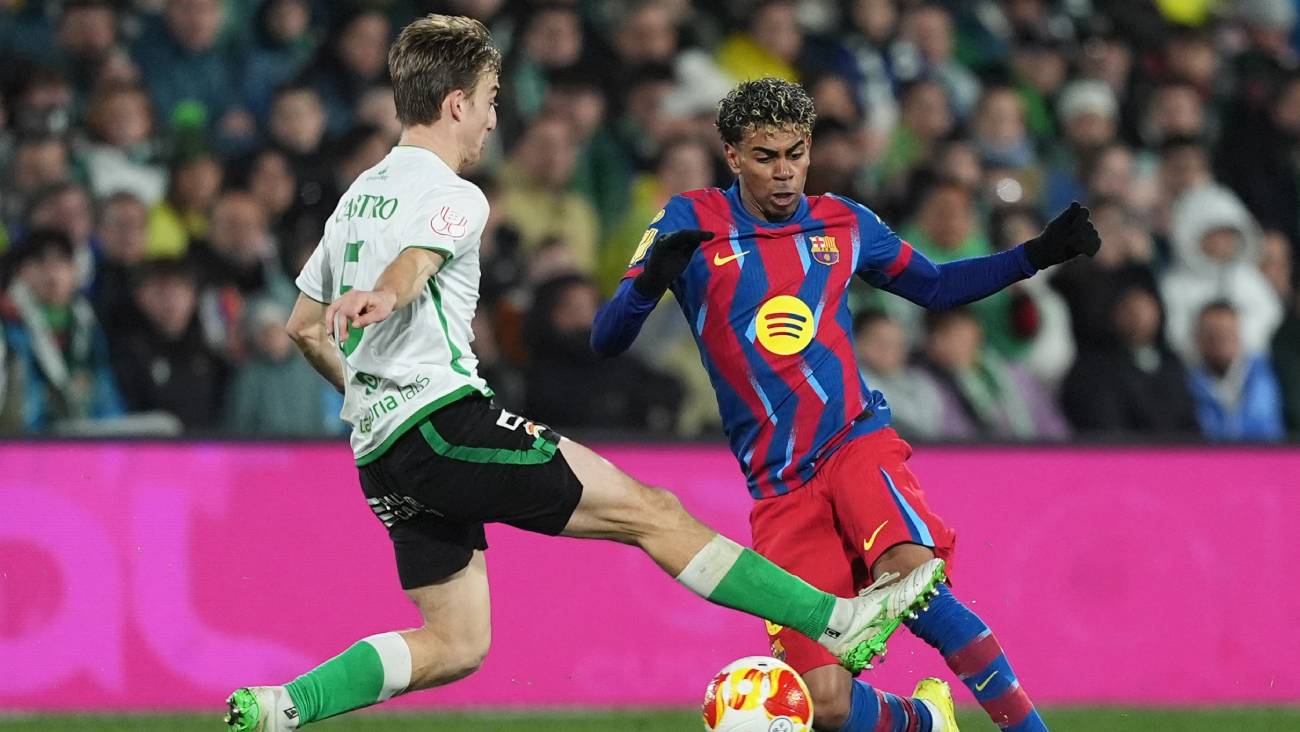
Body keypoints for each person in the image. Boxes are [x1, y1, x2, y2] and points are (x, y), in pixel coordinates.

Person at [223, 17, 944, 732]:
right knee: (650, 512)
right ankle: (841, 616)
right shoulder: (457, 195)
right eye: (491, 98)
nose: (494, 117)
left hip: (381, 454)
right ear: (456, 105)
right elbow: (413, 267)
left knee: (456, 643)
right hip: (442, 420)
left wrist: (364, 394)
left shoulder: (357, 197)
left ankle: (283, 706)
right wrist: (388, 294)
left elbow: (303, 327)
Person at [592, 77, 1102, 732]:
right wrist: (649, 285)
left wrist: (1035, 255)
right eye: (765, 156)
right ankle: (926, 723)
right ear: (732, 156)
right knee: (823, 704)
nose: (784, 173)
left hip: (853, 442)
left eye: (795, 154)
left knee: (914, 583)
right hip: (778, 488)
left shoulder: (844, 221)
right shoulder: (687, 222)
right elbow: (606, 340)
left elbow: (937, 286)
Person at [1187, 300, 1286, 441]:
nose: (1220, 342)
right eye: (1213, 335)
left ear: (1238, 335)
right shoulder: (1185, 382)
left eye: (1227, 334)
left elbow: (1269, 425)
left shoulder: (1264, 375)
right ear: (1198, 338)